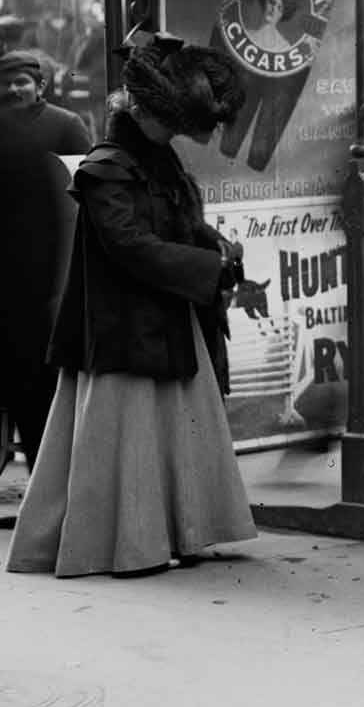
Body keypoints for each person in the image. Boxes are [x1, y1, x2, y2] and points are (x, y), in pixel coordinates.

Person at [5, 34, 257, 577]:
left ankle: (177, 534)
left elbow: (172, 222)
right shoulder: (104, 168)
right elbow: (129, 246)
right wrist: (207, 269)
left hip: (162, 320)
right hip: (121, 329)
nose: (177, 136)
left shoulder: (157, 159)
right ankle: (131, 547)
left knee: (169, 429)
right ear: (140, 112)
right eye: (171, 125)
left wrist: (208, 240)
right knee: (133, 437)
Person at [0, 50, 91, 470]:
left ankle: (47, 488)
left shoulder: (66, 126)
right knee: (15, 384)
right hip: (6, 279)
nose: (14, 88)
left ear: (41, 85)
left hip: (51, 277)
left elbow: (86, 200)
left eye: (22, 81)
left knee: (45, 389)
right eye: (7, 82)